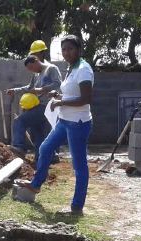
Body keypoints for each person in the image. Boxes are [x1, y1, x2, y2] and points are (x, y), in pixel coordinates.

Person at [16, 35, 94, 216]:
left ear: (79, 49)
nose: (67, 53)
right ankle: (35, 185)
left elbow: (86, 99)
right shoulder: (70, 69)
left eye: (70, 49)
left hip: (78, 123)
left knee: (79, 165)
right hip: (64, 121)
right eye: (64, 49)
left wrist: (61, 103)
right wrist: (57, 95)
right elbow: (69, 93)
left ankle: (76, 207)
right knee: (45, 148)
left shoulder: (83, 69)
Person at [7, 54, 62, 160]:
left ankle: (20, 148)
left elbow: (58, 83)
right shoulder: (36, 75)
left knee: (20, 121)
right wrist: (15, 90)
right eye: (29, 69)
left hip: (47, 106)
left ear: (36, 61)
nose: (32, 70)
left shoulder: (51, 69)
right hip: (37, 105)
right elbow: (29, 87)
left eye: (32, 67)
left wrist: (42, 90)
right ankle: (44, 156)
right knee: (38, 133)